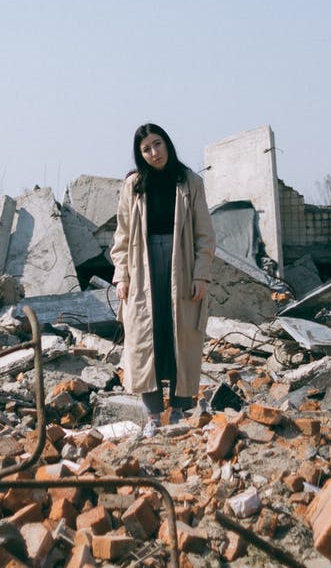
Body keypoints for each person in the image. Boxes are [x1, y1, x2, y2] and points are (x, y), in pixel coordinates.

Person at [109, 122, 216, 434]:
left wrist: (201, 275)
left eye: (157, 144)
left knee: (182, 333)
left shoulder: (190, 181)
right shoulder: (133, 185)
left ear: (167, 144)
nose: (154, 152)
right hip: (142, 264)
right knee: (144, 336)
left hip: (180, 262)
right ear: (140, 155)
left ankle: (182, 411)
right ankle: (153, 415)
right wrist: (122, 276)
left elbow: (204, 234)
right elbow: (122, 234)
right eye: (146, 149)